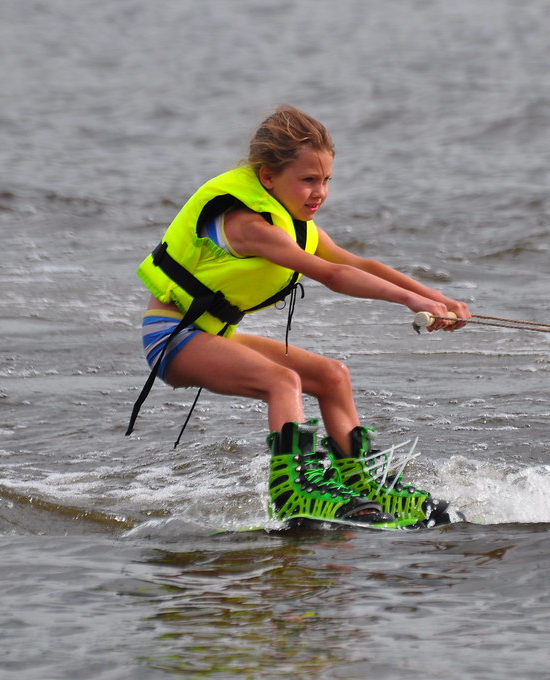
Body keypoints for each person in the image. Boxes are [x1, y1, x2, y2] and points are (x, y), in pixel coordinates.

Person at [127, 105, 471, 528]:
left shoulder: (298, 225)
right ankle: (297, 492)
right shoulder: (248, 225)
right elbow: (333, 274)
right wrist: (408, 302)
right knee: (283, 381)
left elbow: (360, 264)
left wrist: (435, 297)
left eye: (326, 180)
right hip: (171, 337)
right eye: (308, 180)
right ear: (268, 177)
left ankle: (365, 484)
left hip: (211, 334)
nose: (319, 192)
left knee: (331, 376)